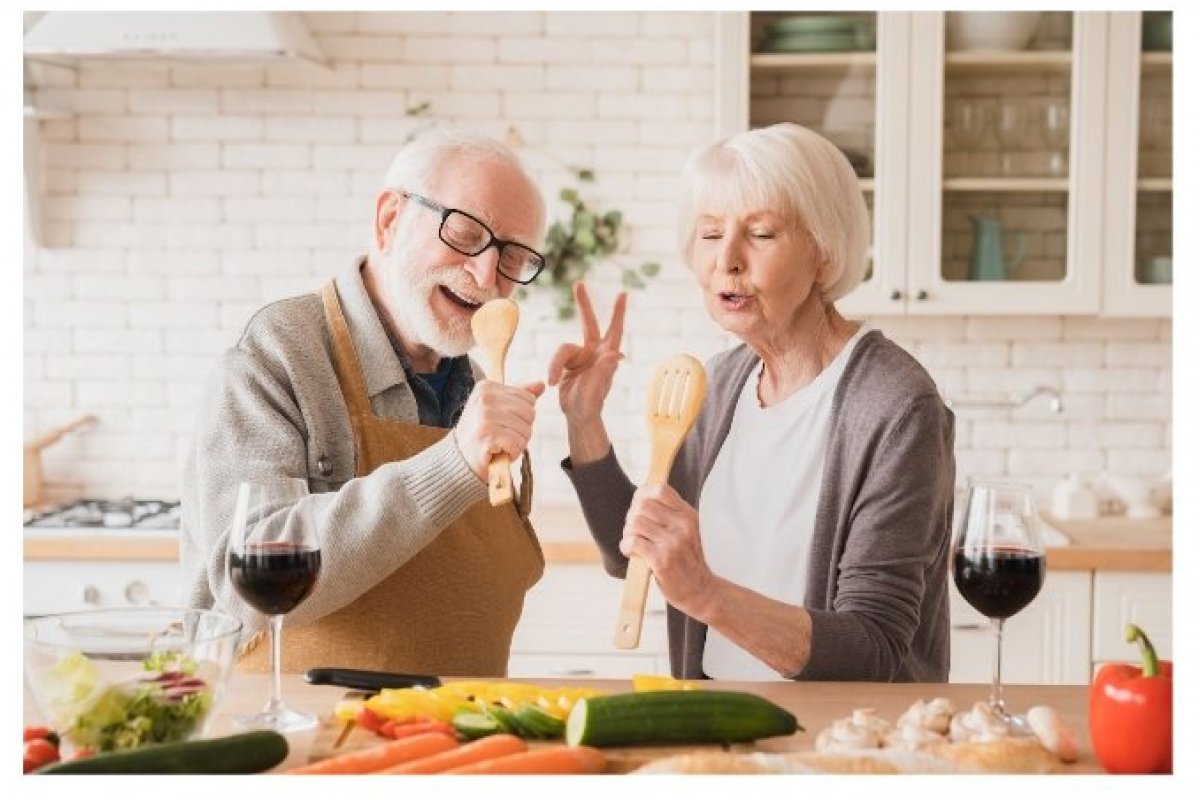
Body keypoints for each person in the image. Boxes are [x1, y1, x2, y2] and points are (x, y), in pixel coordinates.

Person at [550, 122, 956, 681]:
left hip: (841, 743)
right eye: (711, 234)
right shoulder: (719, 385)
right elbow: (640, 559)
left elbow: (874, 649)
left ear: (824, 254)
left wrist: (707, 594)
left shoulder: (895, 407)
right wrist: (584, 422)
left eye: (762, 233)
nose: (728, 260)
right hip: (719, 722)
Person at [181, 130, 549, 676]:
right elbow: (245, 589)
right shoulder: (277, 355)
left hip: (458, 740)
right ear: (389, 220)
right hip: (300, 741)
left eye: (513, 256)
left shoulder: (474, 386)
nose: (485, 276)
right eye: (467, 234)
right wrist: (452, 466)